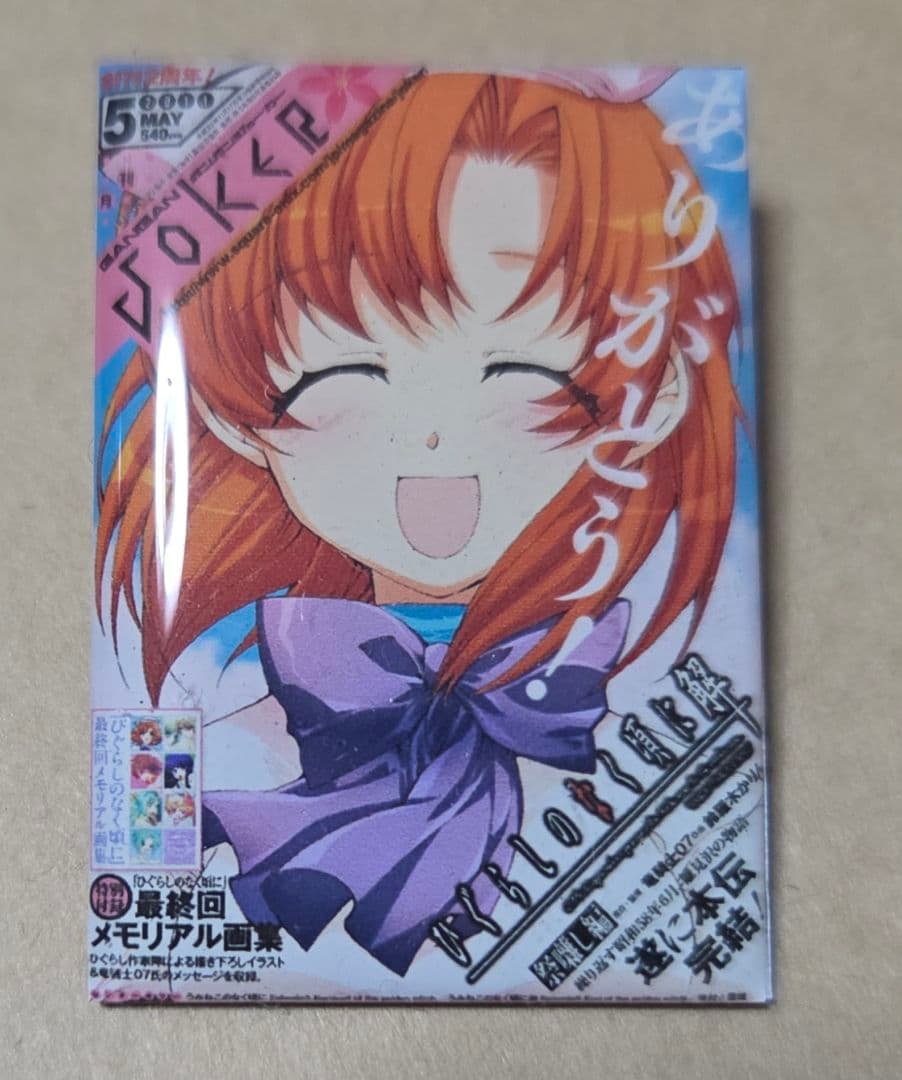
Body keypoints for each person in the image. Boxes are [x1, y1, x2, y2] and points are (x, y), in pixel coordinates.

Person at [97, 73, 739, 974]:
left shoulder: (654, 711)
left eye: (524, 370)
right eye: (344, 373)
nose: (434, 433)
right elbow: (135, 882)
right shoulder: (215, 743)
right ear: (226, 404)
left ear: (656, 390)